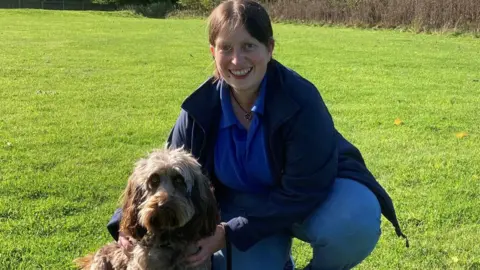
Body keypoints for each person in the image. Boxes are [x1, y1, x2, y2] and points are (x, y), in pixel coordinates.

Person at [106, 0, 409, 269]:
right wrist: (124, 223)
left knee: (354, 221)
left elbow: (303, 191)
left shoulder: (301, 101)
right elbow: (163, 168)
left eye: (249, 46)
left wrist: (230, 233)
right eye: (226, 48)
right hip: (243, 210)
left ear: (270, 48)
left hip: (307, 201)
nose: (237, 60)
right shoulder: (199, 108)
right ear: (213, 52)